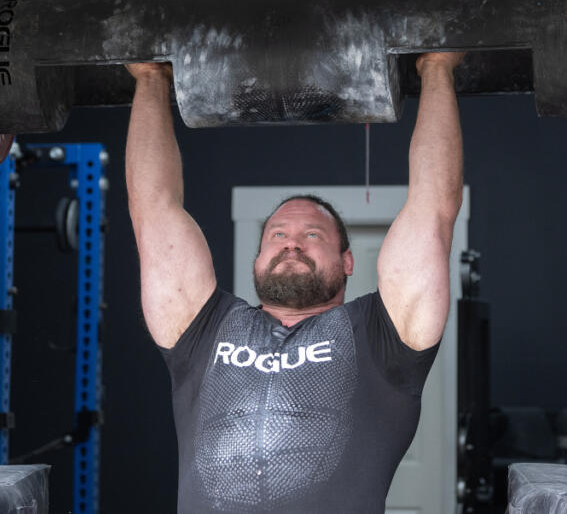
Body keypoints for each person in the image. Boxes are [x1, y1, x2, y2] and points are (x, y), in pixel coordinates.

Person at [126, 51, 464, 513]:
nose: (291, 244)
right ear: (257, 258)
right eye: (278, 235)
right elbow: (154, 212)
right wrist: (149, 79)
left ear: (347, 261)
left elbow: (433, 213)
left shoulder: (382, 338)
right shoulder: (203, 333)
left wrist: (437, 68)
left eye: (312, 235)